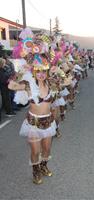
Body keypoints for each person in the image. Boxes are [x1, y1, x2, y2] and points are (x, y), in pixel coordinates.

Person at [8, 29, 57, 184]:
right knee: (35, 151)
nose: (41, 74)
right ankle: (35, 171)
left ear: (47, 71)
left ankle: (43, 166)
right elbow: (11, 86)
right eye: (38, 70)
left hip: (48, 122)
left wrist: (63, 69)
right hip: (34, 124)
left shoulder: (51, 83)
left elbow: (67, 80)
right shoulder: (28, 84)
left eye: (44, 70)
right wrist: (20, 72)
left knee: (47, 150)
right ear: (34, 71)